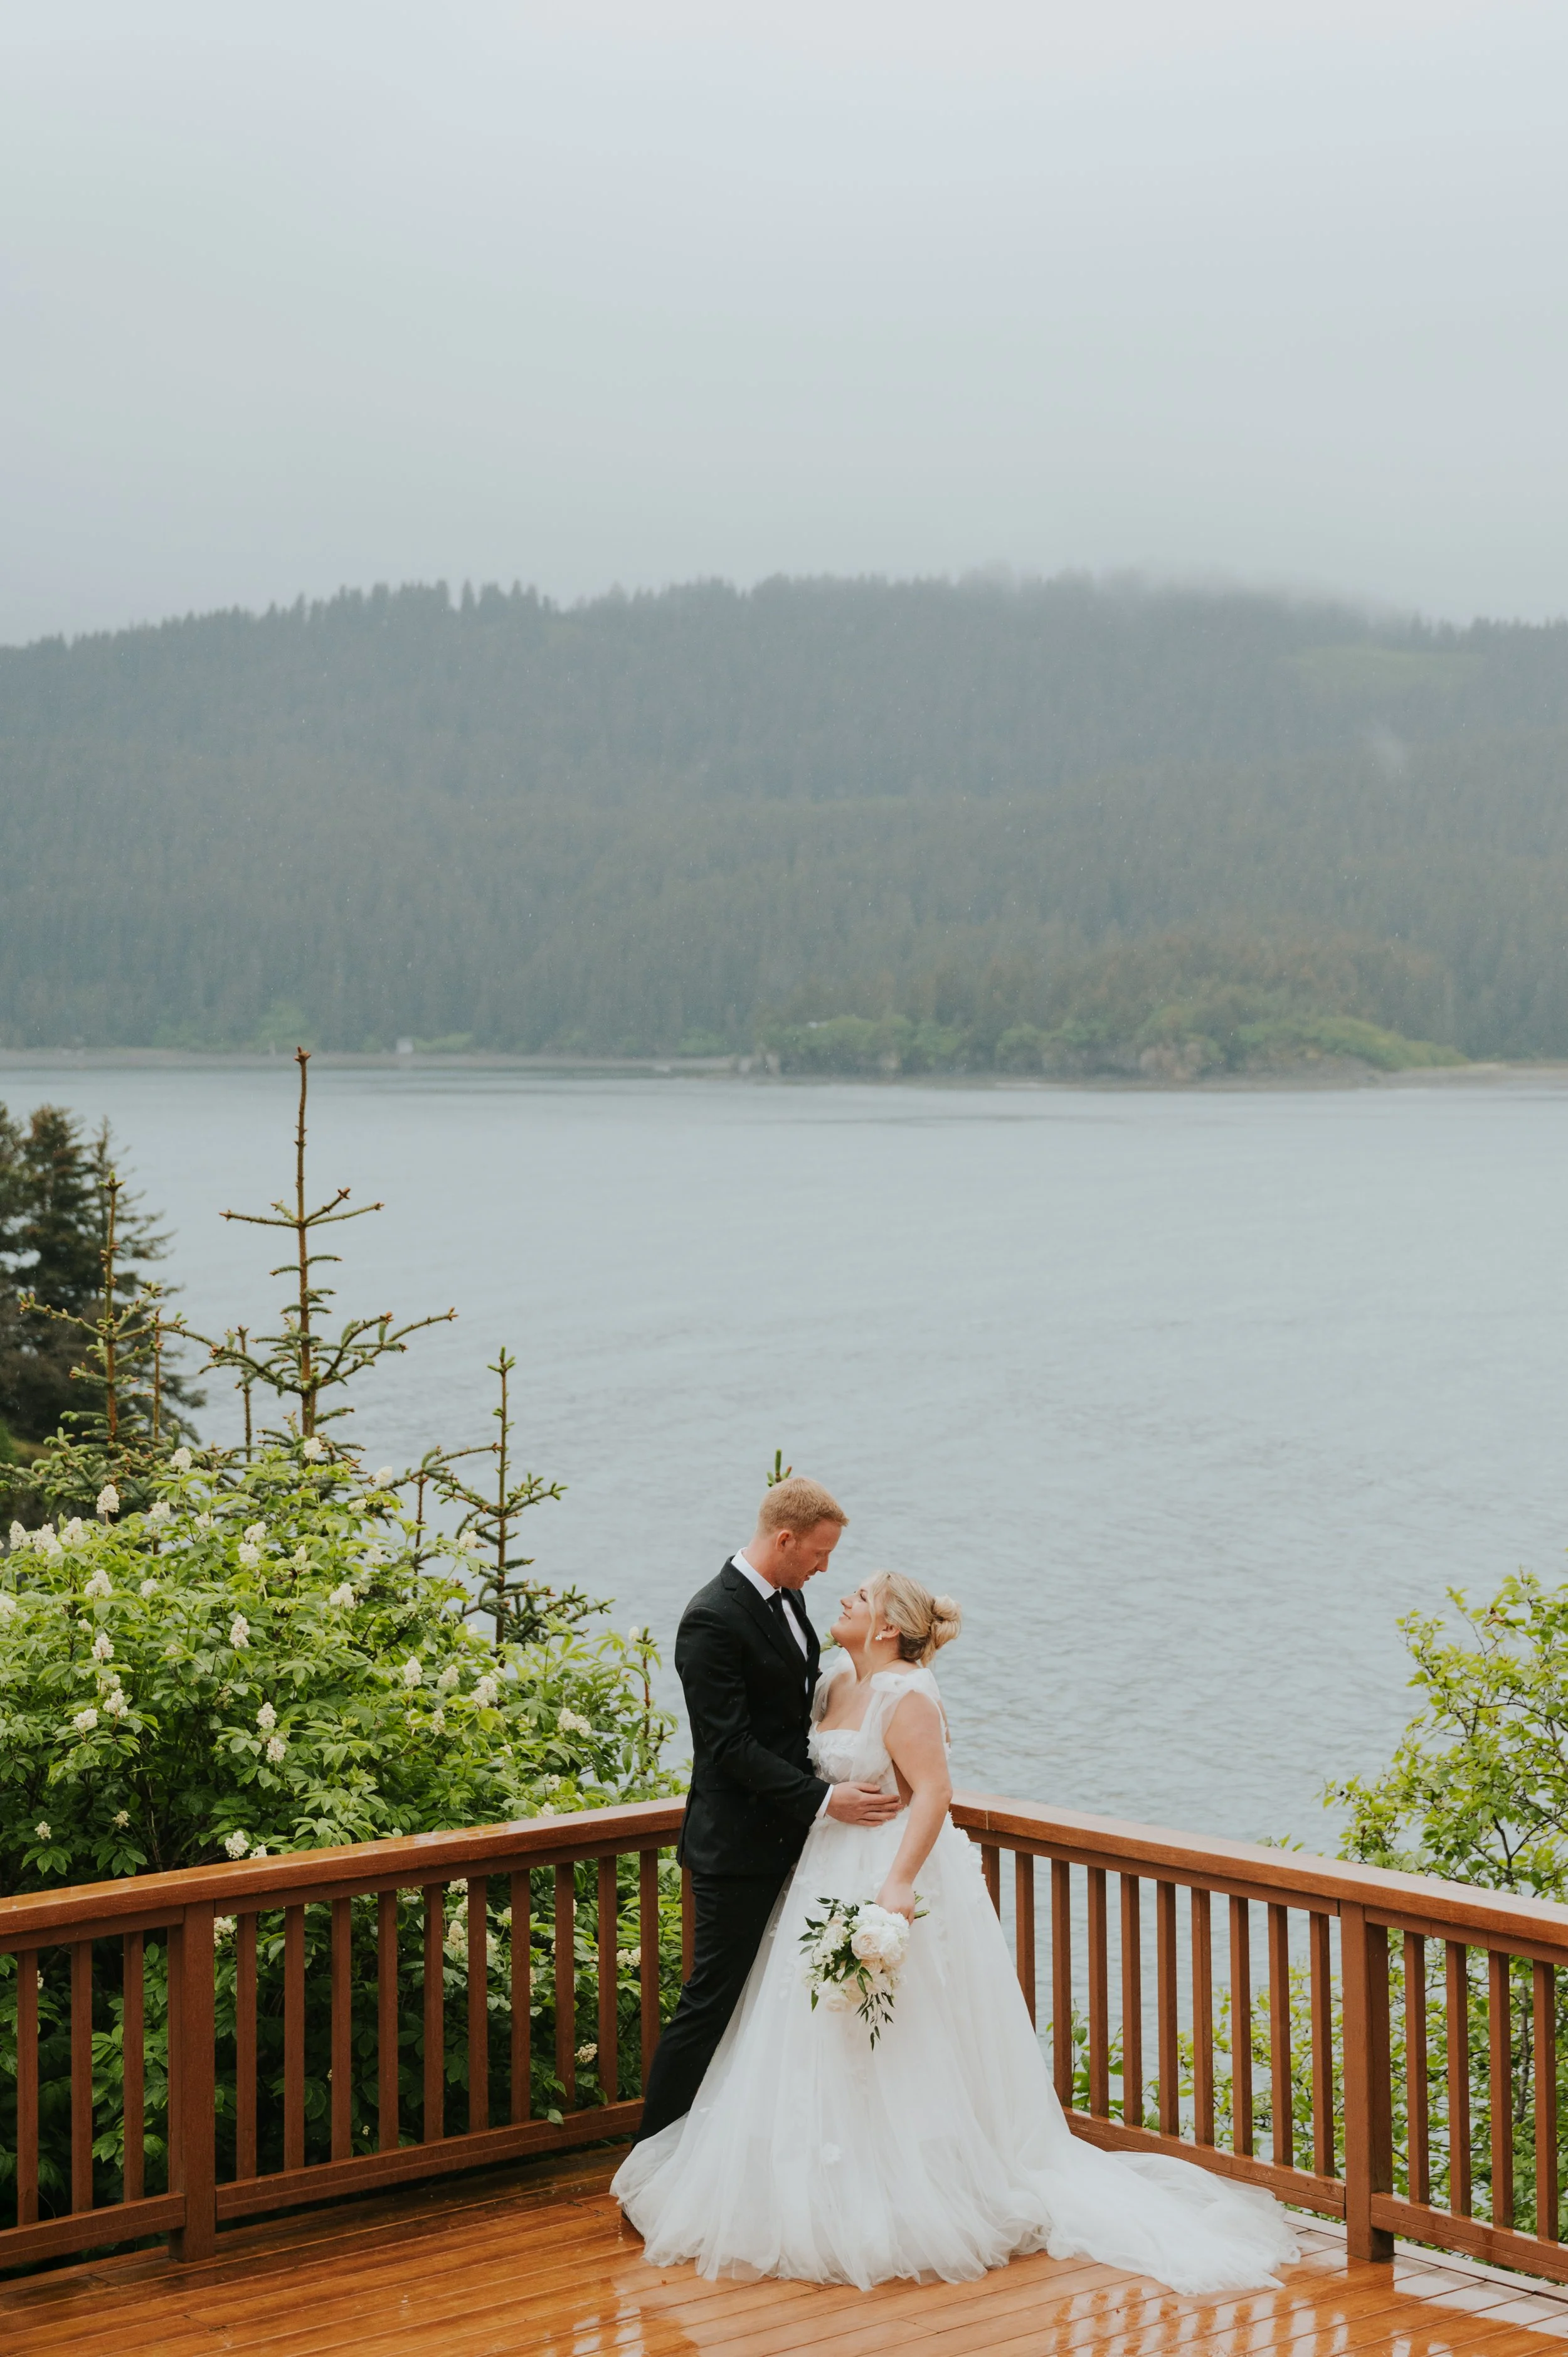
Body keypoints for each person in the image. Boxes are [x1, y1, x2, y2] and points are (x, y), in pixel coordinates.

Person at [613, 1563, 1300, 2294]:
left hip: (883, 1863)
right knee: (807, 2025)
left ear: (885, 1625)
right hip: (822, 1865)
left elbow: (933, 1791)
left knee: (897, 2030)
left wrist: (898, 1883)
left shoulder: (907, 1691)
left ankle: (906, 2186)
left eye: (861, 1596)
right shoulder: (833, 1681)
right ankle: (812, 2177)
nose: (843, 1598)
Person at [632, 1476, 901, 2144]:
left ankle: (736, 2148)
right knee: (711, 2003)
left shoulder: (789, 1601)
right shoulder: (711, 1617)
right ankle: (648, 2159)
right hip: (738, 1847)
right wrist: (825, 1797)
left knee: (769, 2006)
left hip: (799, 1844)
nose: (825, 1567)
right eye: (818, 1551)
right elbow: (728, 1745)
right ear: (784, 1538)